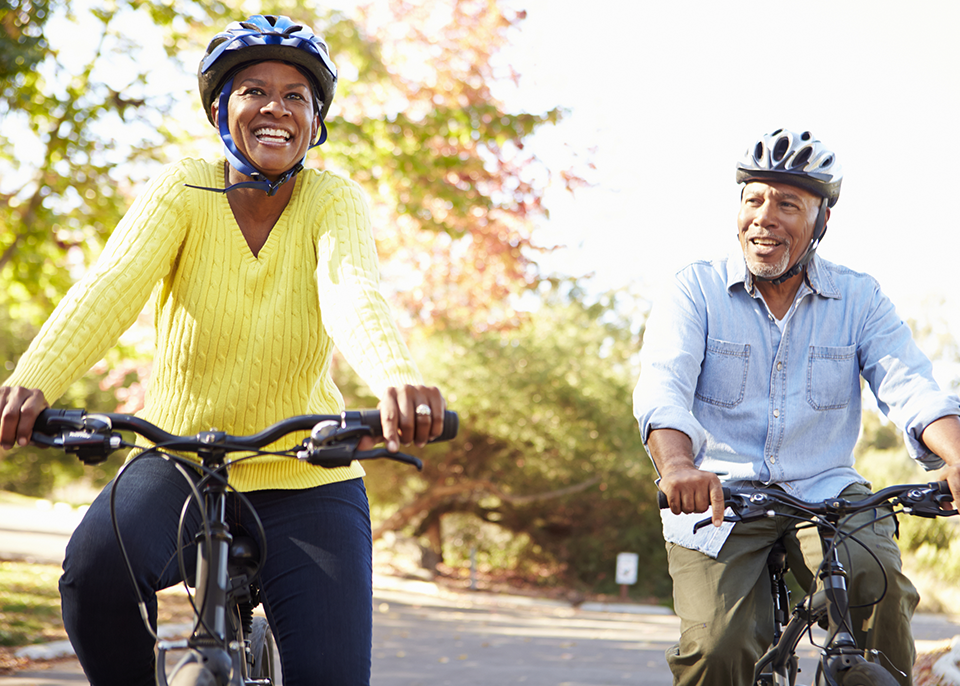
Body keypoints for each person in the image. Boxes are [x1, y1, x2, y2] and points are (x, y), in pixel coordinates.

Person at [0, 15, 445, 686]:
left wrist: (396, 379)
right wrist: (33, 382)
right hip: (177, 461)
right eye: (254, 91)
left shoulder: (333, 199)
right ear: (220, 110)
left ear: (315, 122)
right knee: (92, 577)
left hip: (307, 475)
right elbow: (112, 285)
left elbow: (351, 290)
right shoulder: (184, 187)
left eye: (296, 95)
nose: (275, 107)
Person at [633, 127, 960, 686]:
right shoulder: (697, 290)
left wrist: (955, 455)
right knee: (719, 647)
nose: (764, 216)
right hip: (720, 502)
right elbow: (663, 388)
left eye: (787, 204)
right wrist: (680, 468)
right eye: (753, 199)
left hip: (826, 489)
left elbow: (912, 386)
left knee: (877, 581)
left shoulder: (859, 298)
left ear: (821, 222)